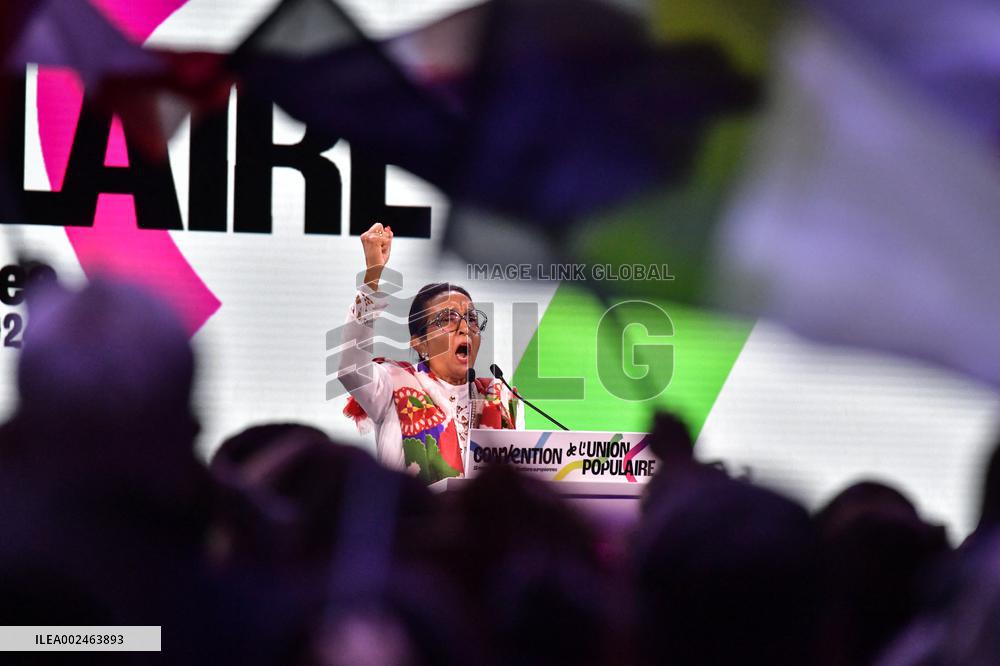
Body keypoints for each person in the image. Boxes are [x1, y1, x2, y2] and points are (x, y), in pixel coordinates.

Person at [338, 222, 522, 483]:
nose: (464, 328)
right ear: (419, 343)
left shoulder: (500, 397)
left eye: (471, 319)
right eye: (447, 319)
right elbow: (350, 369)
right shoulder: (392, 384)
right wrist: (373, 278)